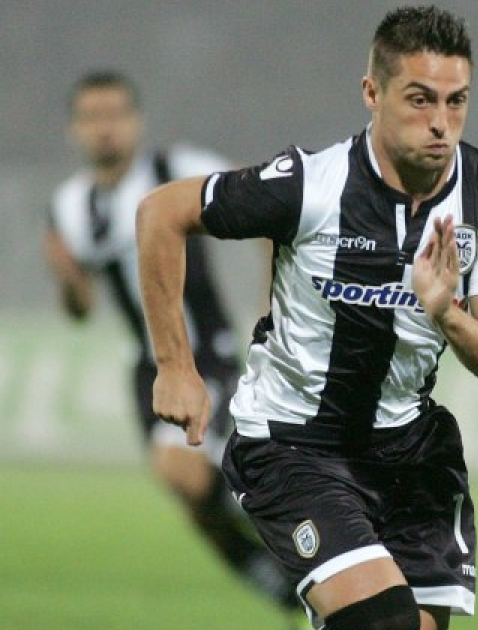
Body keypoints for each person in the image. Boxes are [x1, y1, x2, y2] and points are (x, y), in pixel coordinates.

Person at [136, 6, 478, 630]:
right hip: (294, 444)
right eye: (420, 99)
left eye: (456, 101)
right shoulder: (310, 185)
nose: (440, 122)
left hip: (410, 451)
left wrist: (446, 315)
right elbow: (161, 213)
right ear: (372, 93)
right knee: (385, 623)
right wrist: (174, 365)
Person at [43, 70, 299, 618]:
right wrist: (68, 282)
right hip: (148, 366)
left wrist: (274, 305)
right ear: (74, 129)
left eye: (115, 114)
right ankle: (286, 584)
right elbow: (81, 311)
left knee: (181, 470)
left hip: (208, 353)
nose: (105, 128)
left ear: (135, 122)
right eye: (92, 117)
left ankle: (305, 537)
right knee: (192, 499)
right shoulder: (69, 206)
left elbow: (267, 212)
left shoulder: (176, 170)